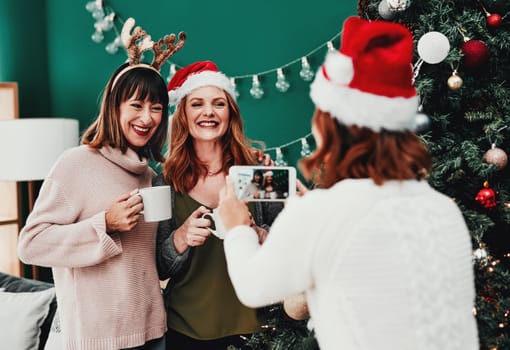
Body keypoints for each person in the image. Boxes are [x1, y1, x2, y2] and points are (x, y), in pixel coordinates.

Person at [218, 17, 479, 350]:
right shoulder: (442, 210)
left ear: (332, 126)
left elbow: (253, 287)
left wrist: (238, 226)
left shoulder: (322, 214)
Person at [17, 19, 185, 350]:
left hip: (152, 333)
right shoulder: (76, 163)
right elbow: (30, 244)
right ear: (114, 106)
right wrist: (104, 224)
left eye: (156, 108)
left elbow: (149, 262)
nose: (147, 117)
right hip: (97, 341)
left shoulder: (150, 177)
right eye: (136, 105)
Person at [153, 60, 282, 350]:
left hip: (255, 328)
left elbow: (289, 246)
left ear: (230, 114)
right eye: (197, 103)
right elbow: (159, 266)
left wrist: (256, 233)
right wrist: (181, 237)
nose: (208, 112)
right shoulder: (165, 180)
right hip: (185, 329)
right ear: (183, 114)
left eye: (219, 104)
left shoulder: (256, 171)